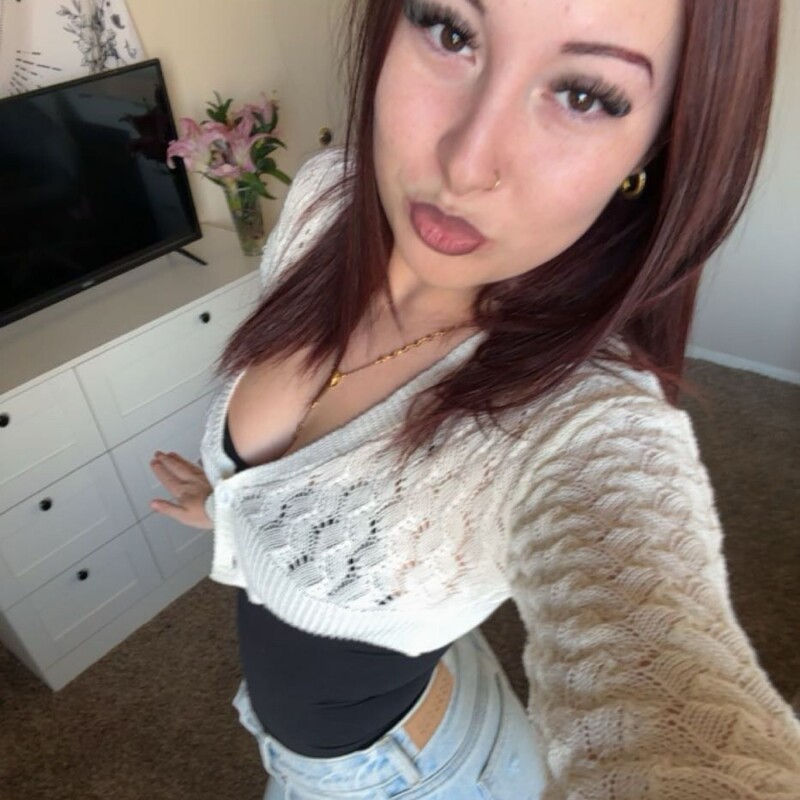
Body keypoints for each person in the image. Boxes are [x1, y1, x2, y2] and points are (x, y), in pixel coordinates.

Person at [149, 1, 800, 798]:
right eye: (451, 32)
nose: (464, 164)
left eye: (585, 95)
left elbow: (660, 669)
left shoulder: (586, 421)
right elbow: (304, 501)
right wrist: (233, 511)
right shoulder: (325, 203)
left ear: (656, 148)